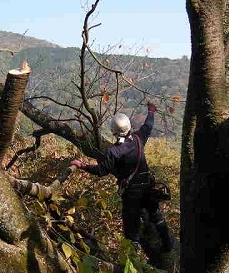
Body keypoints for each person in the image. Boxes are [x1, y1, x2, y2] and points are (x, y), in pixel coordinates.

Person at [71, 102, 174, 252]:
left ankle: (135, 265)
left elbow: (101, 171)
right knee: (156, 216)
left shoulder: (113, 152)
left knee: (132, 232)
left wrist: (82, 165)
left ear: (114, 132)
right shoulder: (138, 140)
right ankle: (168, 245)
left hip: (131, 195)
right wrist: (151, 111)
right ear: (129, 127)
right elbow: (148, 126)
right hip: (148, 187)